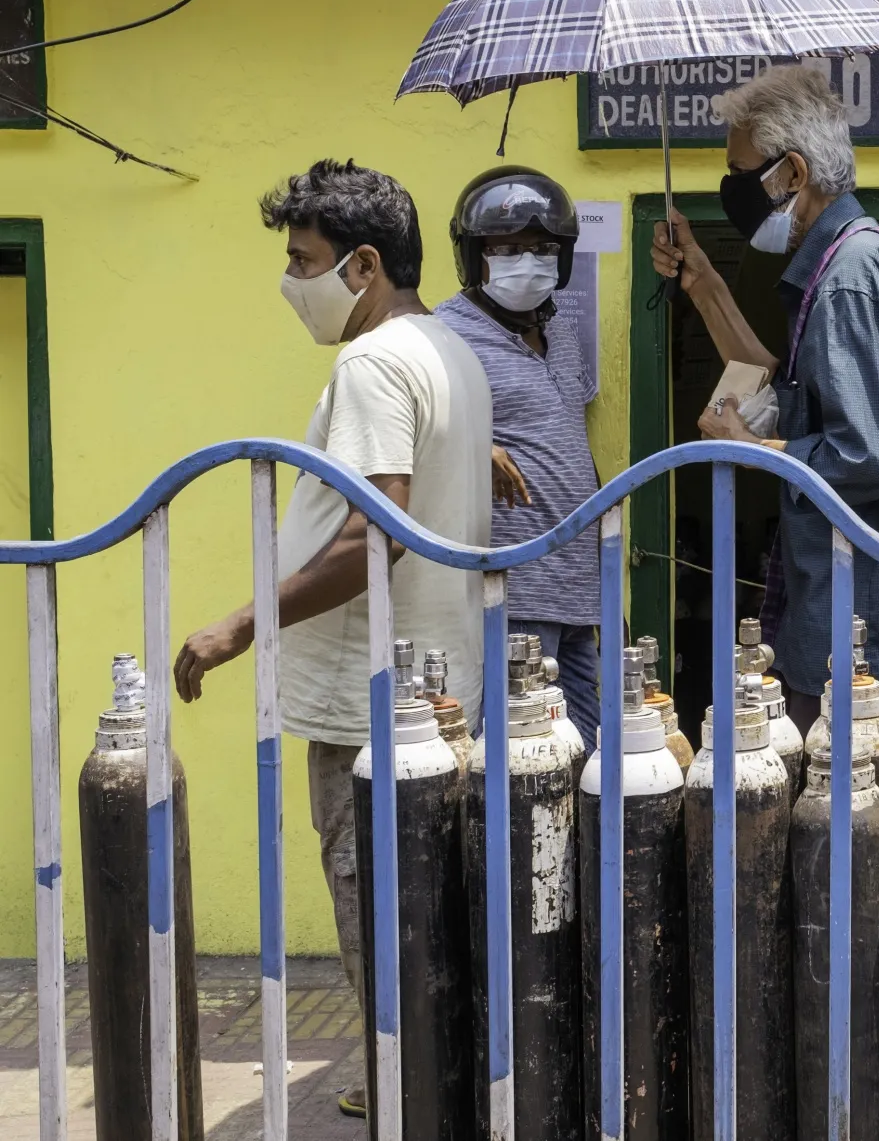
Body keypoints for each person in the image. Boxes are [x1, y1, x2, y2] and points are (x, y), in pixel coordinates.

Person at [172, 160, 491, 1120]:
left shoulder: (371, 361)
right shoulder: (451, 348)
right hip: (440, 685)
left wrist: (239, 623)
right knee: (431, 903)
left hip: (372, 698)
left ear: (362, 266)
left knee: (377, 905)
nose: (290, 282)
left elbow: (374, 534)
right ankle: (433, 1073)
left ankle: (409, 1087)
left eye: (301, 260)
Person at [649, 64, 879, 749]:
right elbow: (795, 398)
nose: (731, 191)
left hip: (864, 629)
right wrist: (702, 283)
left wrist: (758, 452)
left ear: (791, 172)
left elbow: (872, 455)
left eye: (738, 171)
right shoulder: (859, 259)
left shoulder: (848, 280)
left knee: (847, 843)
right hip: (866, 622)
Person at [434, 165, 604, 752]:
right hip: (515, 595)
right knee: (520, 766)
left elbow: (570, 441)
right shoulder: (444, 333)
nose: (525, 261)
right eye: (505, 248)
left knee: (590, 766)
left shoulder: (559, 335)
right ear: (473, 255)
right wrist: (472, 446)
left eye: (540, 248)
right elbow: (410, 424)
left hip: (582, 594)